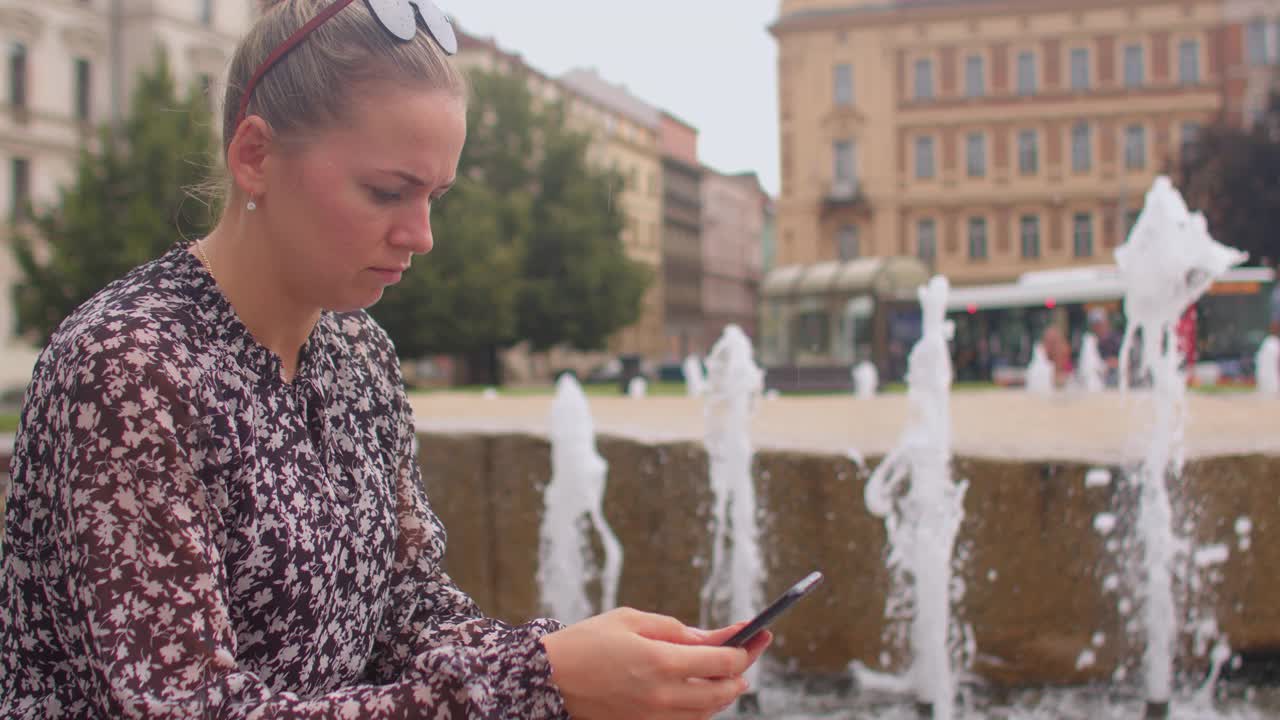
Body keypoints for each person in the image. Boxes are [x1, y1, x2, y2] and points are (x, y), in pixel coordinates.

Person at [0, 1, 768, 718]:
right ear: (255, 155)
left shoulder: (357, 351)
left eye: (434, 195)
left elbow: (407, 610)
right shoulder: (127, 366)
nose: (421, 235)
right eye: (387, 191)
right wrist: (541, 681)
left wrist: (582, 657)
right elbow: (191, 707)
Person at [1088, 307, 1122, 386]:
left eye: (1099, 324)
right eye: (1094, 325)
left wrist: (1112, 363)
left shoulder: (1116, 339)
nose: (1097, 327)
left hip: (1116, 379)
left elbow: (1126, 361)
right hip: (1100, 381)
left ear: (1106, 322)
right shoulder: (1092, 341)